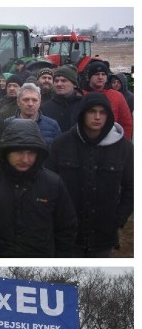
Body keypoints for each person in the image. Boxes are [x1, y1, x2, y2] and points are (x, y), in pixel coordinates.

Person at [0, 119, 78, 257]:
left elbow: (66, 228)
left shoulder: (53, 183)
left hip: (39, 266)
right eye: (19, 152)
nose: (25, 159)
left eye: (31, 153)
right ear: (6, 151)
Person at [46, 92, 133, 257]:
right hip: (67, 233)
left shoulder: (124, 148)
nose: (98, 117)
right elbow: (48, 184)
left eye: (103, 112)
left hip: (103, 234)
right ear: (82, 113)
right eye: (92, 111)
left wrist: (118, 219)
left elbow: (132, 187)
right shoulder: (61, 144)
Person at [81, 60, 132, 140]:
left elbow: (126, 123)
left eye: (103, 74)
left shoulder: (117, 96)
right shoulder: (81, 95)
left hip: (112, 143)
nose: (100, 77)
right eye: (97, 74)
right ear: (90, 76)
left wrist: (123, 145)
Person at [41, 65, 84, 132]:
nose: (59, 84)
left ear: (74, 84)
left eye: (64, 81)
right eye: (56, 81)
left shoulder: (84, 105)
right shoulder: (45, 107)